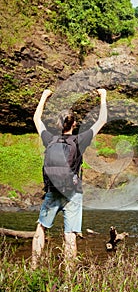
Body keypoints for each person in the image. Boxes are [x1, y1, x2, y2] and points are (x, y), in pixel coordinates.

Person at [32, 88, 107, 268]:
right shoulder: (80, 140)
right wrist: (103, 96)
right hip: (73, 194)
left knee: (40, 229)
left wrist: (44, 96)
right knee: (70, 234)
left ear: (59, 125)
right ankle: (69, 277)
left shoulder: (49, 139)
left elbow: (36, 119)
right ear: (74, 125)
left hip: (52, 192)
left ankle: (33, 268)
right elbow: (102, 120)